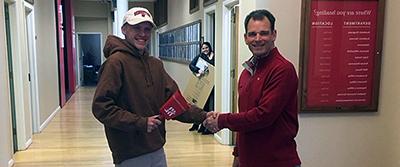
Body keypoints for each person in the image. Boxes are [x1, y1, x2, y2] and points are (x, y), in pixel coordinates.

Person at [92, 7, 211, 167]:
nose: (142, 34)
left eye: (147, 29)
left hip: (156, 147)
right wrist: (140, 123)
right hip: (129, 152)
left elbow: (175, 104)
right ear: (124, 30)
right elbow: (101, 107)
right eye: (136, 28)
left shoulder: (155, 65)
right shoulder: (115, 63)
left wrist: (205, 116)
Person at [203, 9, 301, 167]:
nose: (258, 39)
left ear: (274, 35)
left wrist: (222, 120)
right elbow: (245, 120)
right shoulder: (246, 72)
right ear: (245, 38)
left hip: (278, 162)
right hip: (249, 161)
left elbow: (263, 116)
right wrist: (237, 156)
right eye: (252, 34)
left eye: (264, 33)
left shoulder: (283, 69)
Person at [187, 42, 215, 134]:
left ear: (210, 47)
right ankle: (197, 125)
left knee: (209, 106)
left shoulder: (215, 56)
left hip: (212, 85)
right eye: (203, 48)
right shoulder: (201, 56)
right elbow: (191, 65)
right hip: (202, 84)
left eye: (206, 48)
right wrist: (198, 70)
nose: (205, 50)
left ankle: (205, 127)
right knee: (201, 105)